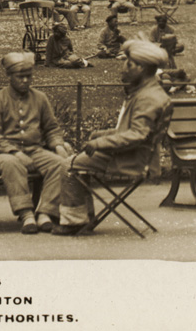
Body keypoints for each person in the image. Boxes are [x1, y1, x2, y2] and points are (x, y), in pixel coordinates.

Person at [54, 40, 173, 235]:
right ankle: (84, 217)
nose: (123, 68)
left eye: (128, 64)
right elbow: (132, 131)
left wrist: (100, 142)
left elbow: (137, 135)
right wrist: (99, 135)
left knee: (68, 166)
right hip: (135, 155)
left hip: (129, 160)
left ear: (141, 68)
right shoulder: (150, 93)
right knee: (78, 163)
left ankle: (73, 221)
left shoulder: (147, 98)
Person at [0, 52, 70, 234]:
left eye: (28, 76)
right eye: (20, 77)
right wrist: (15, 152)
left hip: (34, 151)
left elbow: (51, 127)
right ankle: (26, 214)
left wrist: (58, 145)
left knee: (60, 164)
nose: (25, 81)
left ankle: (45, 212)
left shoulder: (40, 98)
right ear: (10, 77)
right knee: (12, 164)